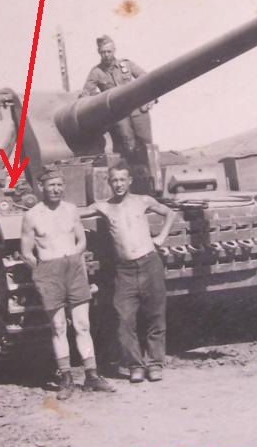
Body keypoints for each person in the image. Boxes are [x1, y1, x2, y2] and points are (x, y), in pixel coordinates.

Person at [20, 165, 115, 400]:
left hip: (73, 268)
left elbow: (81, 240)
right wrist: (40, 271)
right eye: (51, 185)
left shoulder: (71, 210)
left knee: (82, 324)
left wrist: (74, 257)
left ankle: (92, 375)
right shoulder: (32, 216)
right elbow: (26, 252)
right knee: (59, 326)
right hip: (49, 272)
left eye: (60, 185)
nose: (56, 189)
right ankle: (66, 378)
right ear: (41, 187)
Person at [81, 160, 175, 383]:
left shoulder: (143, 201)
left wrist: (161, 237)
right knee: (124, 319)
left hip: (150, 263)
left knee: (155, 315)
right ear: (109, 182)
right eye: (114, 180)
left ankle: (155, 364)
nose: (119, 184)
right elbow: (76, 212)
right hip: (124, 270)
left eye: (122, 180)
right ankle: (135, 365)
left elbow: (169, 213)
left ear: (129, 181)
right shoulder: (103, 206)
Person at [80, 35, 154, 161]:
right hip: (118, 114)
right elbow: (86, 94)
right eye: (103, 52)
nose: (106, 55)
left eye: (109, 51)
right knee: (127, 144)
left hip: (137, 110)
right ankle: (131, 170)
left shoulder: (126, 65)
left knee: (146, 143)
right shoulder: (96, 72)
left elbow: (146, 79)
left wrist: (150, 98)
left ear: (114, 50)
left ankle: (150, 169)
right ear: (99, 52)